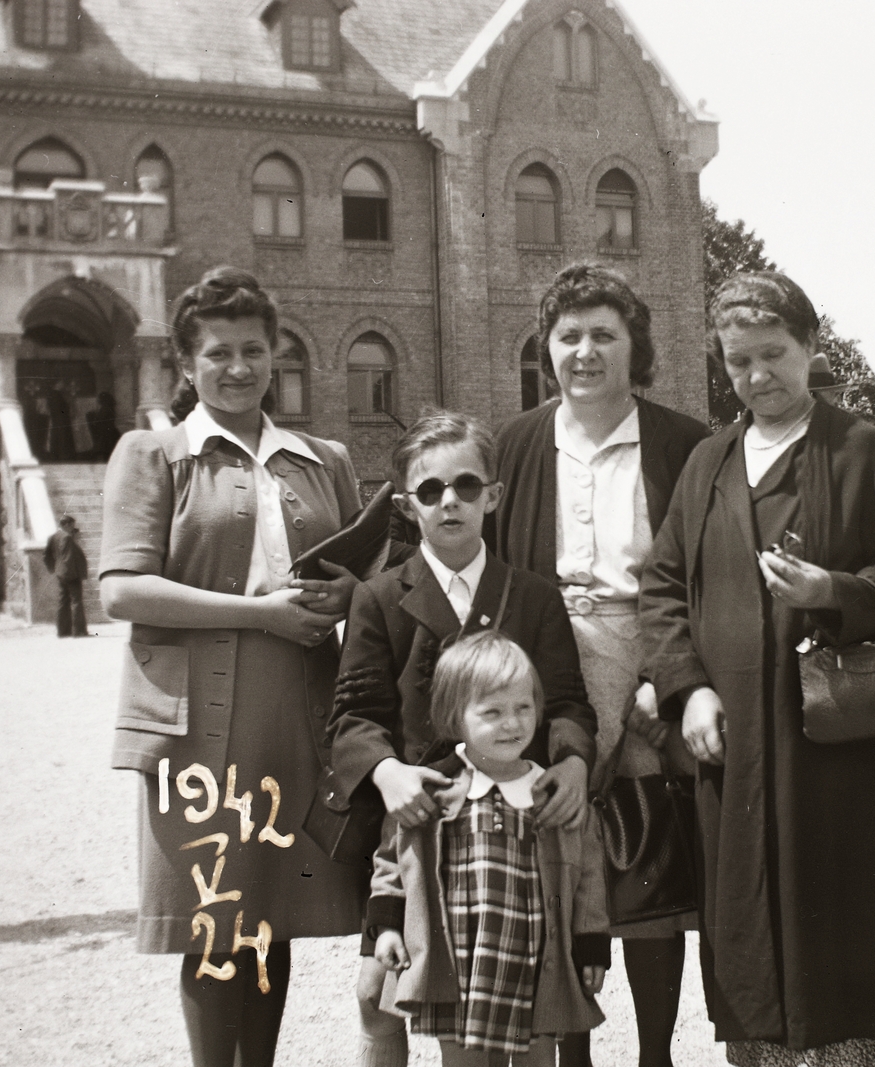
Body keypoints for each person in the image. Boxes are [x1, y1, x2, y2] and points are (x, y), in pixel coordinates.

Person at [640, 273, 875, 1067]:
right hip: (731, 738)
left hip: (838, 743)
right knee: (746, 918)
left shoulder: (858, 446)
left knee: (850, 908)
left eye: (774, 354)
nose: (758, 374)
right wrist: (686, 687)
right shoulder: (707, 463)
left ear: (810, 347)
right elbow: (662, 586)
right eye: (739, 361)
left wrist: (833, 590)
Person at [98, 265, 366, 1067]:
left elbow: (368, 573)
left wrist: (352, 591)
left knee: (270, 912)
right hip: (197, 723)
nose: (239, 367)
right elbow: (122, 588)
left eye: (254, 349)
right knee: (214, 916)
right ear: (186, 364)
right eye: (218, 353)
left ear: (276, 351)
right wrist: (262, 613)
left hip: (299, 709)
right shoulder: (154, 453)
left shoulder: (324, 458)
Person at [329, 409, 597, 1067]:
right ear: (405, 504)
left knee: (528, 997)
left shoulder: (530, 596)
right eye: (430, 490)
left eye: (467, 486)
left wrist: (571, 763)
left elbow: (565, 701)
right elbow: (353, 717)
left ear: (493, 496)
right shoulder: (380, 597)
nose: (450, 501)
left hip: (511, 832)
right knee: (379, 988)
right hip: (417, 825)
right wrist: (386, 772)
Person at [490, 263, 708, 1067]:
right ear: (547, 349)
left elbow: (705, 577)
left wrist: (673, 678)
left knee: (648, 862)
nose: (585, 351)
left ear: (634, 345)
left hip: (647, 663)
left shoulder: (685, 444)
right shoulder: (512, 444)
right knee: (558, 862)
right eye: (568, 336)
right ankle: (572, 1053)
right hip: (546, 670)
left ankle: (656, 1053)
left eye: (603, 335)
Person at [369, 629, 611, 1067]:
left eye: (523, 707)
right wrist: (386, 926)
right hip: (460, 963)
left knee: (539, 1060)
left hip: (537, 964)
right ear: (454, 717)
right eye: (493, 712)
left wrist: (591, 944)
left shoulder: (551, 795)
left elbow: (589, 876)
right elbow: (392, 861)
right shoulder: (434, 792)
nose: (513, 723)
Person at [42, 514, 89, 637]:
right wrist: (72, 575)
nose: (73, 528)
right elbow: (68, 558)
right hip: (71, 574)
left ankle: (63, 631)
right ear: (66, 524)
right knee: (76, 602)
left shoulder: (53, 537)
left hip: (60, 573)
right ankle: (79, 631)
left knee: (62, 602)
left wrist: (54, 569)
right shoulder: (67, 537)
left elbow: (46, 556)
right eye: (72, 525)